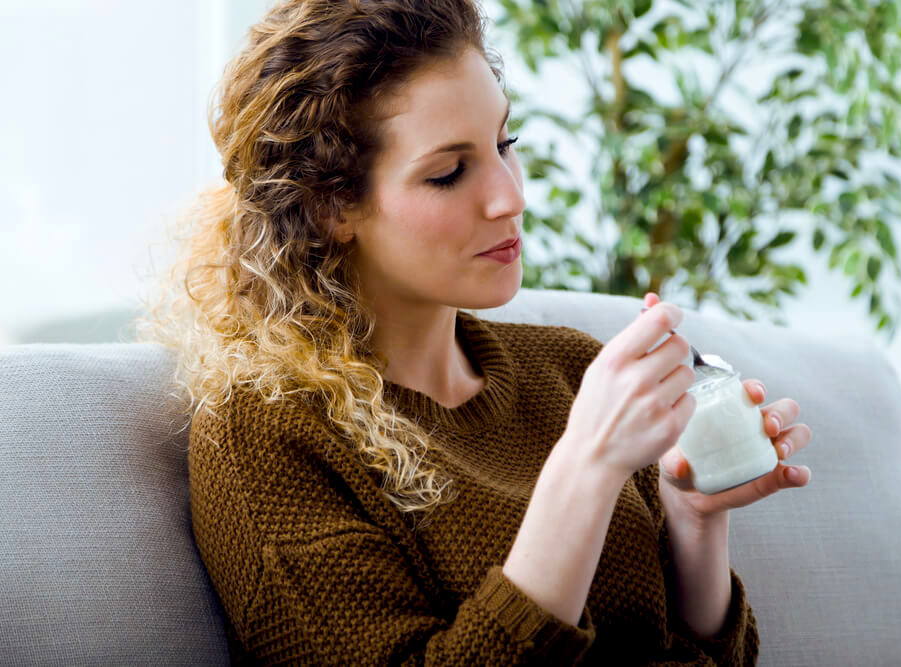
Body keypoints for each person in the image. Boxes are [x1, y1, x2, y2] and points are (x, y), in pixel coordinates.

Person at [136, 0, 813, 663]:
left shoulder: (573, 372)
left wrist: (694, 517)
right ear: (330, 205)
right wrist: (584, 465)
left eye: (504, 143)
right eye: (449, 172)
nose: (511, 196)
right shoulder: (266, 435)